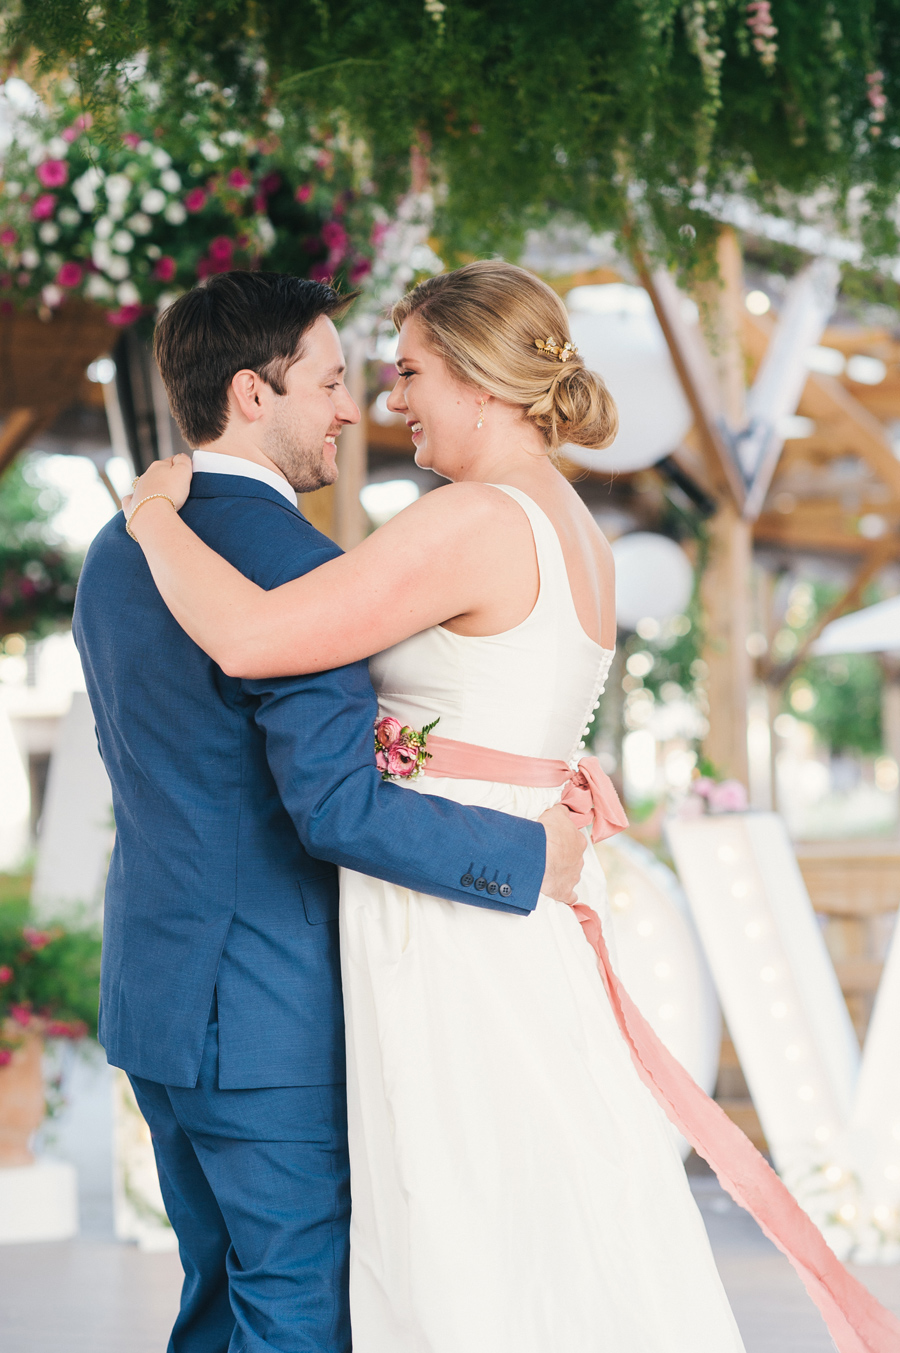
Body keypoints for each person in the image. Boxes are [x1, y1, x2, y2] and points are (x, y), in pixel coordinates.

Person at [123, 260, 749, 1352]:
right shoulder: (573, 527)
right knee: (533, 1213)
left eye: (409, 372)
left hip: (446, 914)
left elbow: (253, 639)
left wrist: (151, 520)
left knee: (462, 1222)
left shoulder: (473, 519)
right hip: (502, 897)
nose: (391, 398)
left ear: (477, 378)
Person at [72, 269, 588, 1353]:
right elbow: (337, 809)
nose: (353, 411)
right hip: (266, 1016)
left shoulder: (118, 550)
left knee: (216, 1293)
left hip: (156, 995)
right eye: (332, 382)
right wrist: (527, 855)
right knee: (294, 1303)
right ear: (254, 396)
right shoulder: (302, 572)